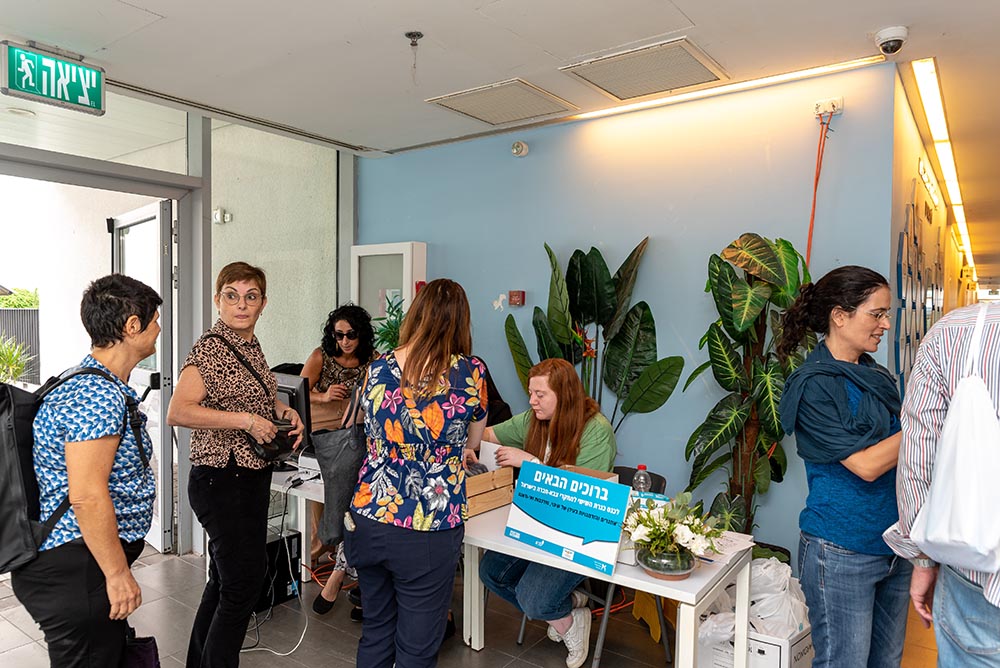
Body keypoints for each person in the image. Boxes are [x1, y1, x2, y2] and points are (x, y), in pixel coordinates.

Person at [11, 274, 160, 667]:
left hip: (80, 562)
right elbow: (87, 495)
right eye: (155, 320)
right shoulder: (97, 395)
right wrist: (117, 574)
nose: (159, 329)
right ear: (133, 326)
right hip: (76, 567)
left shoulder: (87, 381)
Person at [343, 278, 487, 668]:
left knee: (376, 631)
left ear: (416, 315)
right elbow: (473, 441)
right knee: (417, 648)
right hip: (427, 526)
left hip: (369, 516)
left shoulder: (377, 368)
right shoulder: (470, 373)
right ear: (460, 320)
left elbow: (363, 426)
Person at [167, 261, 304, 668]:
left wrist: (282, 409)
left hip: (249, 477)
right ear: (218, 300)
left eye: (250, 297)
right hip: (221, 477)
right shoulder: (211, 348)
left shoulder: (250, 344)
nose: (241, 305)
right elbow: (178, 410)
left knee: (226, 580)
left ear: (263, 304)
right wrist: (245, 421)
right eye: (232, 295)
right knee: (243, 583)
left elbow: (253, 394)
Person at [777, 265, 910, 668]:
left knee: (886, 662)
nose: (886, 324)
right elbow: (867, 465)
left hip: (894, 546)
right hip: (840, 552)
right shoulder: (813, 384)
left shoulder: (876, 376)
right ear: (839, 315)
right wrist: (928, 422)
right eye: (877, 314)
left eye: (887, 314)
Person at [477, 357, 616, 668]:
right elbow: (487, 435)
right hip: (538, 524)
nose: (532, 401)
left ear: (564, 395)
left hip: (578, 534)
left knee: (534, 600)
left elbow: (579, 500)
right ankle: (567, 609)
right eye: (531, 393)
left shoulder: (596, 431)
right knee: (490, 572)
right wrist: (465, 445)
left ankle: (563, 618)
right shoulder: (533, 419)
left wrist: (530, 463)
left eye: (540, 394)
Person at [883, 301, 1000, 666]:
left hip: (977, 570)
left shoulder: (956, 332)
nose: (885, 324)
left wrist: (922, 558)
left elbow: (920, 454)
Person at [303, 304, 377, 615]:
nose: (345, 341)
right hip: (323, 434)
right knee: (350, 496)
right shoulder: (321, 356)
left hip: (357, 436)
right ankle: (342, 559)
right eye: (339, 335)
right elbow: (300, 392)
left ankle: (341, 561)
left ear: (362, 335)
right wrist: (324, 396)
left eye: (351, 335)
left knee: (355, 498)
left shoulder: (374, 361)